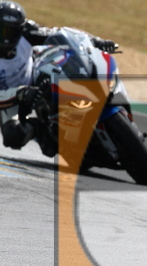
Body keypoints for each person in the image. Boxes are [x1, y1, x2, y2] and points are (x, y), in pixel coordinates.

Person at [0, 1, 117, 156]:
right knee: (13, 135)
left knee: (65, 63)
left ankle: (89, 99)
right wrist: (20, 93)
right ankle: (39, 129)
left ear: (19, 29)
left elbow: (60, 34)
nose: (5, 37)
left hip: (34, 74)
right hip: (12, 98)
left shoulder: (27, 30)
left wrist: (95, 41)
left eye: (10, 31)